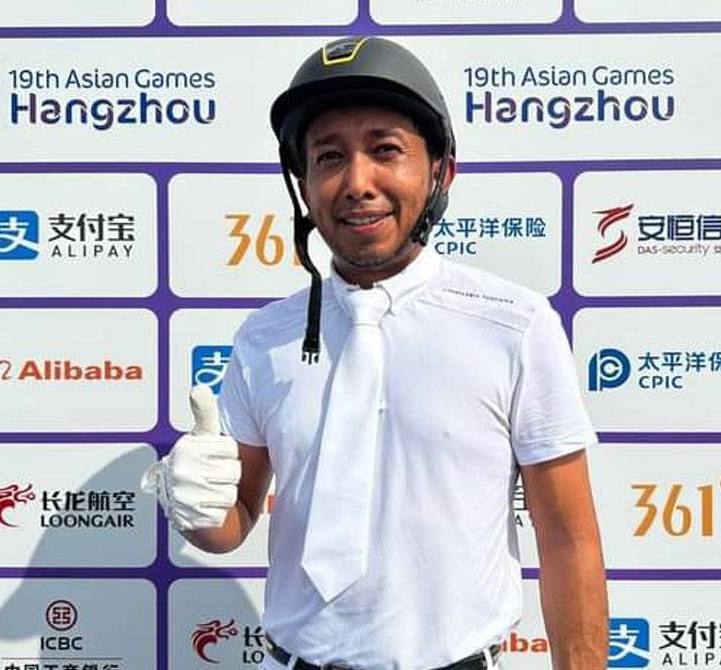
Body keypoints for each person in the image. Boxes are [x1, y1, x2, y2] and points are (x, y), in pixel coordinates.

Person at [145, 36, 608, 670]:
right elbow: (236, 519)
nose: (357, 183)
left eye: (385, 149)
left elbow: (568, 541)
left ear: (441, 172)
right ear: (304, 185)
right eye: (329, 157)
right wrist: (196, 506)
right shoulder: (264, 338)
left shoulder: (513, 325)